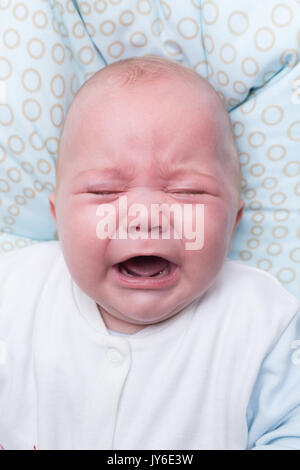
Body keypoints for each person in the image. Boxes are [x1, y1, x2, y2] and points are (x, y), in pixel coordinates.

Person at [0, 56, 299, 450]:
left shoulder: (263, 319)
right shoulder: (15, 292)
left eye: (186, 191)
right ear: (59, 218)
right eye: (105, 191)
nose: (144, 217)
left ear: (233, 223)